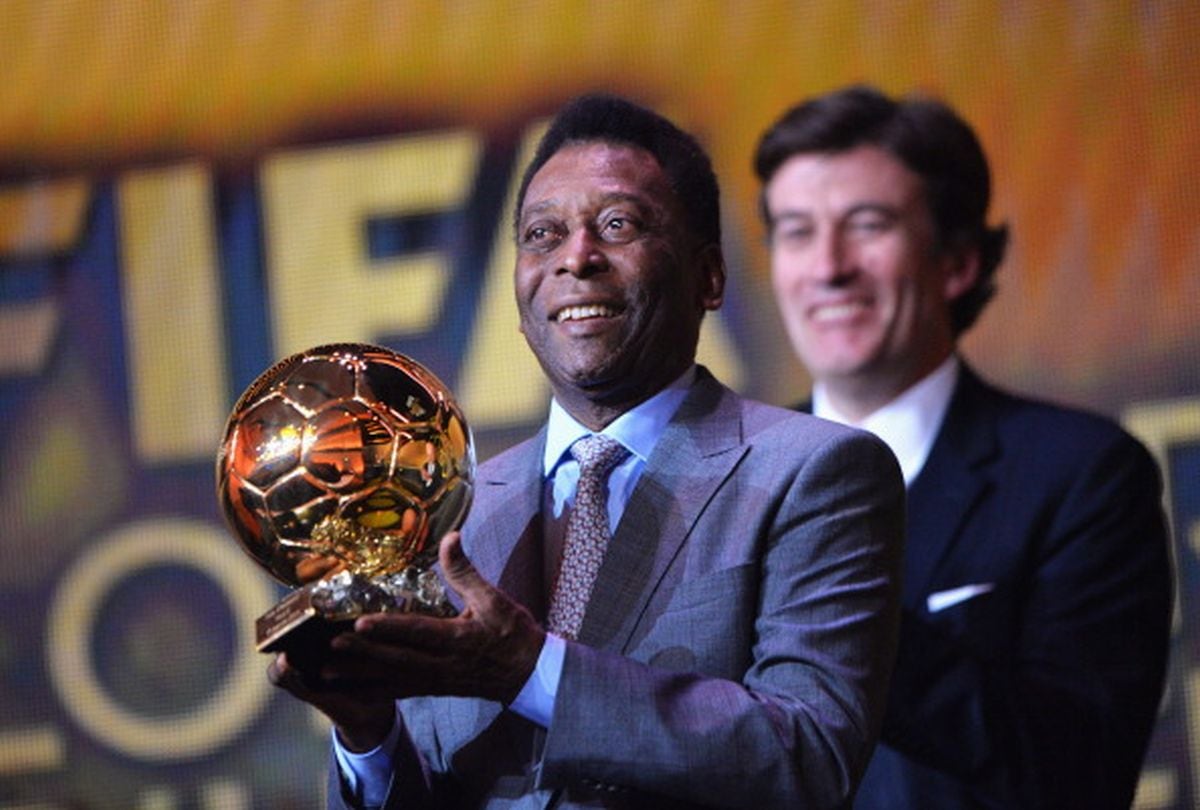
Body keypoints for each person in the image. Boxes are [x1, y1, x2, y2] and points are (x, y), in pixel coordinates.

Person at [269, 93, 906, 809]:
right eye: (542, 234)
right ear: (518, 301)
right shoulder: (446, 510)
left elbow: (808, 756)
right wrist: (368, 737)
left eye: (618, 224)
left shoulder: (815, 473)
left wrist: (531, 670)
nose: (576, 257)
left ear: (709, 277)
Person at [753, 84, 1173, 809]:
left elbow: (1080, 771)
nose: (827, 267)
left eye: (868, 224)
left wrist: (849, 608)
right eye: (796, 231)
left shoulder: (1081, 475)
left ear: (959, 262)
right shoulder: (731, 476)